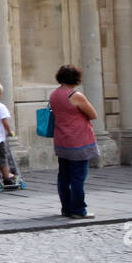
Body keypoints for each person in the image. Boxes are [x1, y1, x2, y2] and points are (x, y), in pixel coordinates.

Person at [50, 64, 99, 219]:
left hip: (61, 139)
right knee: (78, 177)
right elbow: (93, 114)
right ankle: (78, 209)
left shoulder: (54, 94)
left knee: (64, 176)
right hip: (78, 141)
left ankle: (66, 208)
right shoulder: (75, 95)